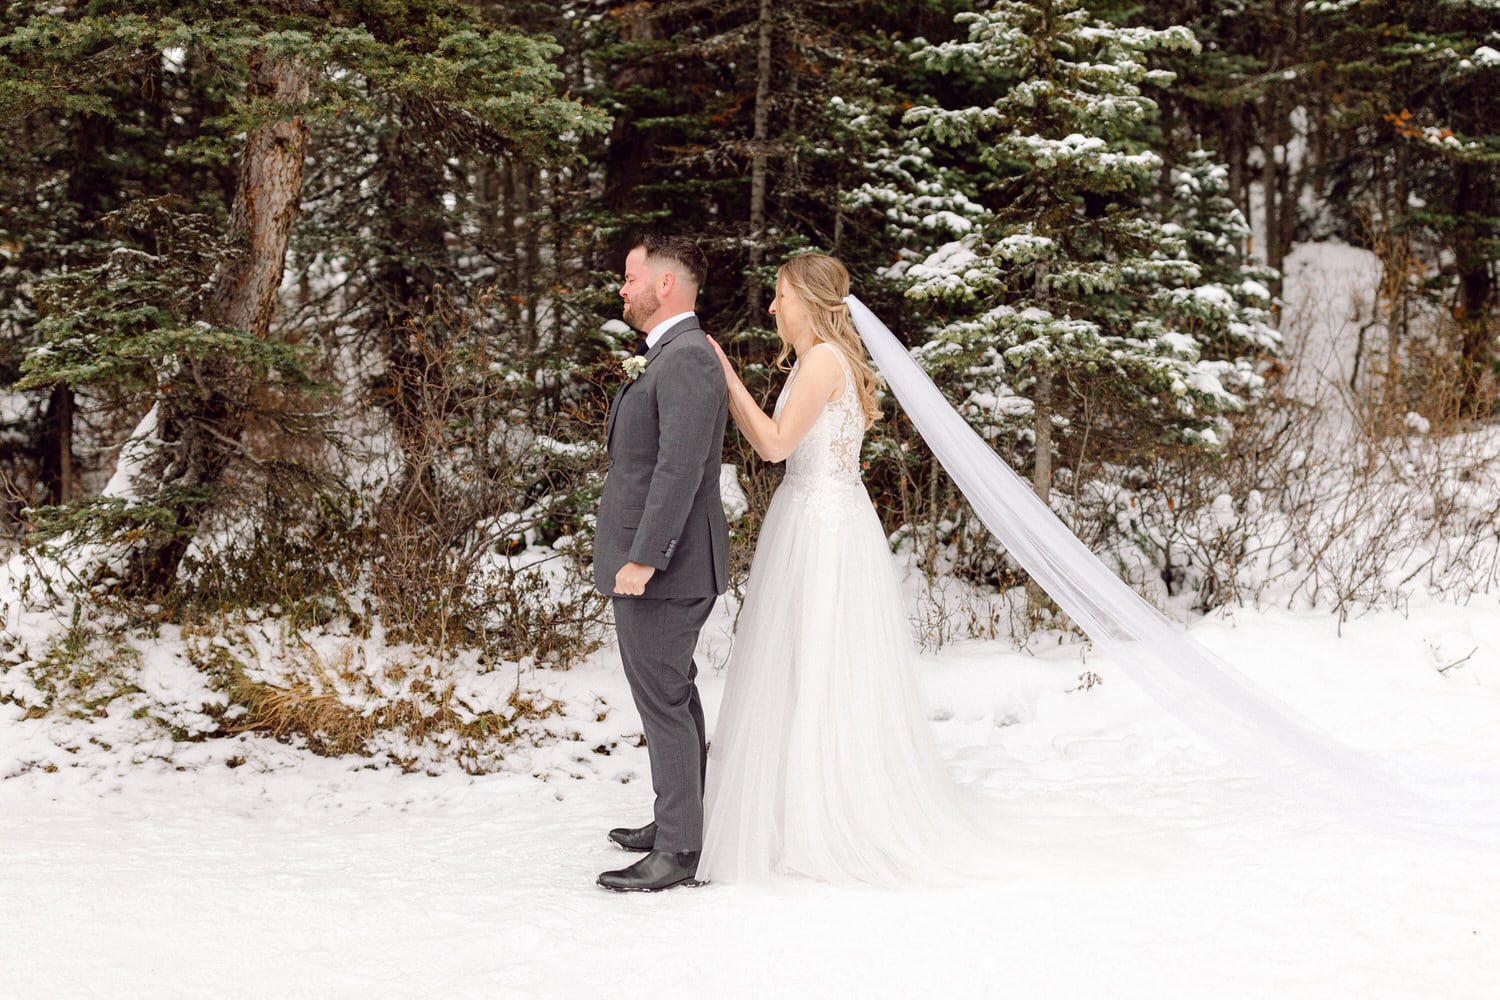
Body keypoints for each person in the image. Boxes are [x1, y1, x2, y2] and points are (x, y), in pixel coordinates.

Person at [700, 253, 990, 885]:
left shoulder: (824, 361)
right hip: (825, 515)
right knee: (811, 664)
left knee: (816, 662)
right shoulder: (826, 360)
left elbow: (775, 445)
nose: (772, 308)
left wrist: (725, 375)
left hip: (820, 526)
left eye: (780, 296)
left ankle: (820, 815)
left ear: (808, 300)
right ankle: (800, 802)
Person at [593, 235, 729, 892]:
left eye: (630, 276)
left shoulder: (686, 361)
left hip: (667, 566)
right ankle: (682, 816)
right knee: (672, 693)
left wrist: (644, 559)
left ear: (666, 284)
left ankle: (678, 849)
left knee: (664, 701)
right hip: (662, 561)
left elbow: (679, 470)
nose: (623, 288)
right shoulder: (669, 355)